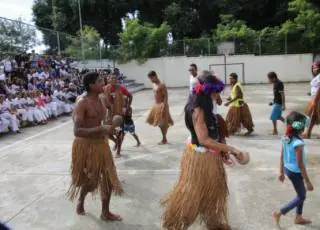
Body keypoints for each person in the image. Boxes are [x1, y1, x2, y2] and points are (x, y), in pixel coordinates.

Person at [161, 74, 247, 230]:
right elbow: (204, 140)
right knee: (193, 197)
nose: (218, 95)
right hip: (202, 158)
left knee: (213, 193)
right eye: (216, 92)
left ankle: (212, 223)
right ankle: (177, 225)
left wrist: (222, 149)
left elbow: (213, 133)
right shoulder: (198, 110)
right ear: (207, 92)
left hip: (210, 156)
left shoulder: (205, 106)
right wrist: (232, 150)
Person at [67, 72, 123, 221]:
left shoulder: (102, 99)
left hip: (101, 145)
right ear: (91, 85)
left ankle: (105, 212)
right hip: (85, 145)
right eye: (100, 81)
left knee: (109, 179)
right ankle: (81, 199)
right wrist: (100, 129)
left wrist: (110, 130)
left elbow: (103, 122)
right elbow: (77, 131)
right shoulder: (82, 102)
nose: (103, 82)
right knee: (90, 181)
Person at [272, 111, 314, 227]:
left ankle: (298, 217)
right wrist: (307, 181)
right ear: (300, 128)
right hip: (295, 172)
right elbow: (300, 164)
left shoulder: (286, 137)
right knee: (302, 196)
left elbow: (282, 155)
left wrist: (281, 172)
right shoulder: (298, 143)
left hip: (288, 169)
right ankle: (279, 213)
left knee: (301, 193)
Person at [146, 71, 173, 144]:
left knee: (163, 123)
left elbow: (166, 97)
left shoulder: (162, 85)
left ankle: (164, 139)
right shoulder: (153, 84)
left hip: (162, 105)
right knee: (159, 123)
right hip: (156, 105)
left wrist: (164, 107)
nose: (151, 80)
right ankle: (164, 138)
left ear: (155, 76)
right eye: (150, 78)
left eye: (151, 78)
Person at [302, 61, 320, 139]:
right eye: (313, 67)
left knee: (313, 115)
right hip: (315, 98)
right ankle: (308, 133)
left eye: (315, 67)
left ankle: (307, 133)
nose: (313, 69)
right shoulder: (317, 76)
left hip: (318, 99)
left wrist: (315, 100)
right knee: (314, 116)